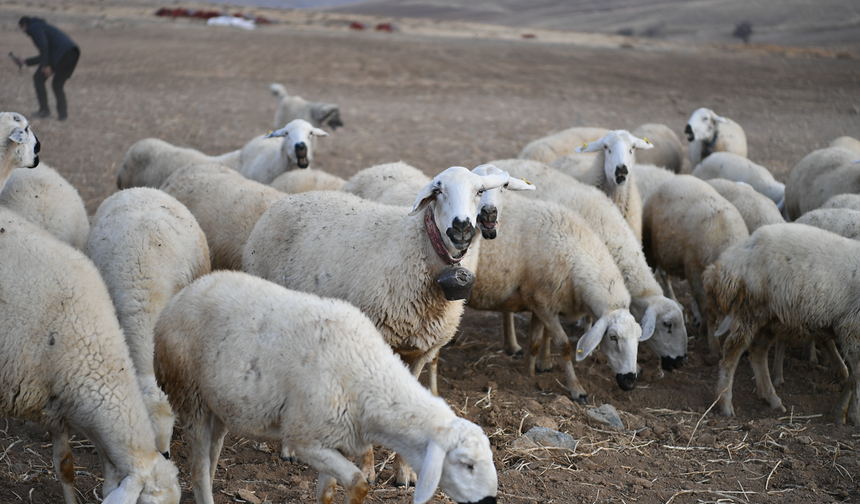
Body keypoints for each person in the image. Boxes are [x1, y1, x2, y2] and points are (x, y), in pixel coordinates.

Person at [16, 16, 80, 122]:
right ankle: (63, 117)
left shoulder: (34, 28)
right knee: (57, 85)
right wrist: (25, 62)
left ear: (25, 25)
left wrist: (45, 66)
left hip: (62, 55)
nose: (23, 31)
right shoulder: (42, 26)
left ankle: (44, 111)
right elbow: (45, 53)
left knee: (38, 78)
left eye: (22, 27)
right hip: (73, 53)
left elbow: (44, 47)